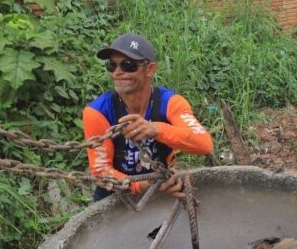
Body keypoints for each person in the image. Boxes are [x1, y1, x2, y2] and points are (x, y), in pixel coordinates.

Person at [83, 33, 212, 202]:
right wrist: (139, 186)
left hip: (162, 186)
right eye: (112, 66)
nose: (118, 72)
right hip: (115, 195)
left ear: (150, 69)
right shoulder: (98, 112)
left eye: (128, 65)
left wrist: (157, 129)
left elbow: (204, 144)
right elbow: (101, 171)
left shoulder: (170, 103)